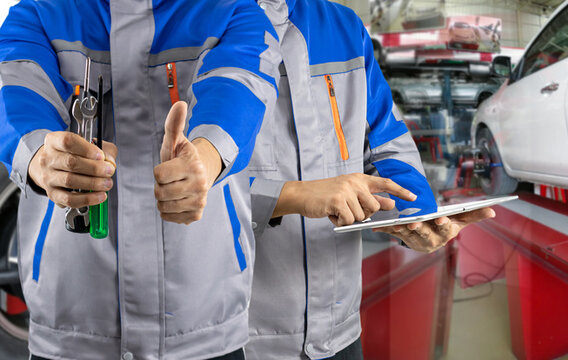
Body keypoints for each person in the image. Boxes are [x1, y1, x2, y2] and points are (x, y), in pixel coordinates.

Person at [0, 0, 278, 358]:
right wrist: (42, 157)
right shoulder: (38, 12)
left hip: (204, 327)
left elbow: (241, 91)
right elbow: (14, 94)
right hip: (71, 326)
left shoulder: (234, 11)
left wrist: (205, 160)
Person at [247, 1, 495, 359]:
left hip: (339, 330)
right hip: (234, 335)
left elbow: (387, 143)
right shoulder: (183, 23)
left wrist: (416, 217)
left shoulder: (344, 27)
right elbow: (159, 188)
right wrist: (287, 197)